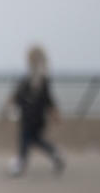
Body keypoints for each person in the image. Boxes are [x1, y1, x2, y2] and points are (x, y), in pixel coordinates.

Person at [5, 45, 65, 176]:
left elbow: (19, 96)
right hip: (36, 117)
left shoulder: (32, 81)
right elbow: (49, 100)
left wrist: (12, 105)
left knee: (26, 138)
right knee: (34, 139)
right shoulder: (39, 80)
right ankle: (53, 153)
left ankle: (21, 163)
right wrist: (54, 113)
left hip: (30, 117)